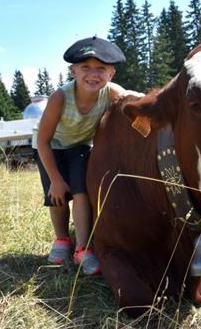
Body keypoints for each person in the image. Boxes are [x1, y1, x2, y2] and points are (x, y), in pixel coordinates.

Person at [33, 36, 131, 275]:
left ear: (111, 74)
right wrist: (56, 179)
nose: (93, 74)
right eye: (85, 67)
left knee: (81, 192)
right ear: (73, 70)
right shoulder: (60, 98)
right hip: (50, 147)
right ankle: (62, 240)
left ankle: (82, 249)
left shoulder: (111, 93)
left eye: (101, 69)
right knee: (57, 195)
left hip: (79, 147)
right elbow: (43, 141)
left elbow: (134, 101)